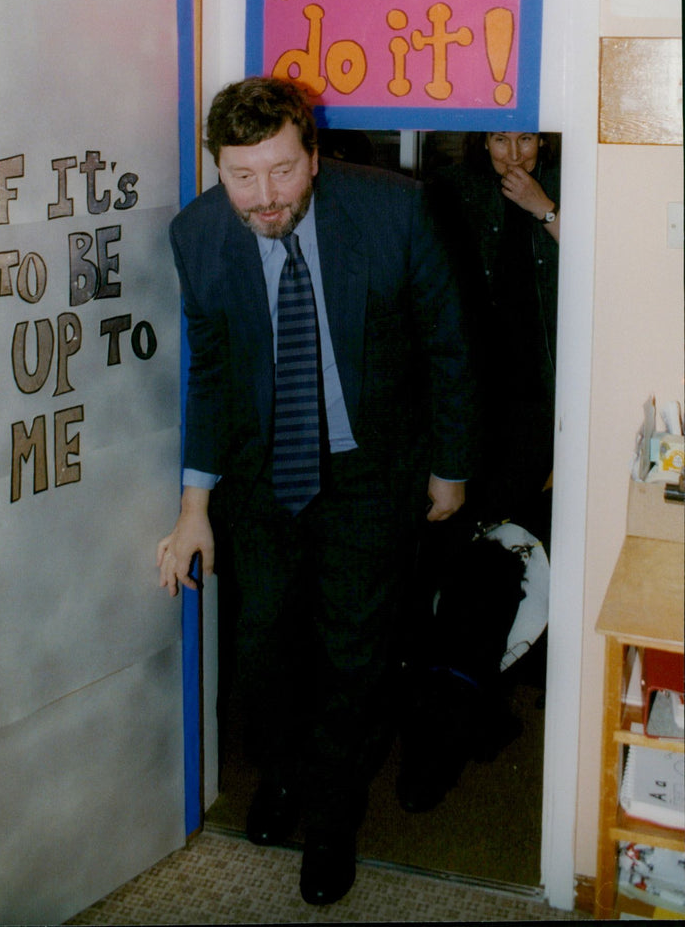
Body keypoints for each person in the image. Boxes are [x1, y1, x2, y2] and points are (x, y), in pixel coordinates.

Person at [156, 77, 476, 906]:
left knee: (353, 657)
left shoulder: (392, 213)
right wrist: (194, 508)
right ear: (217, 170)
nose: (265, 198)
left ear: (315, 155)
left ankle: (333, 817)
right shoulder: (196, 237)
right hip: (265, 477)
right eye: (243, 177)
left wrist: (451, 466)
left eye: (284, 171)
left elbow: (449, 346)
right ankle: (290, 774)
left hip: (371, 471)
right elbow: (214, 375)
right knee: (263, 651)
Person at [396, 131, 560, 814]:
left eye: (526, 138)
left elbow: (614, 272)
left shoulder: (567, 189)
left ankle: (462, 716)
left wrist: (545, 209)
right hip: (465, 405)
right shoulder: (450, 194)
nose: (512, 154)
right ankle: (437, 724)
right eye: (498, 139)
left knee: (502, 566)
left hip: (535, 407)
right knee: (449, 563)